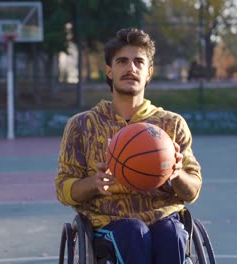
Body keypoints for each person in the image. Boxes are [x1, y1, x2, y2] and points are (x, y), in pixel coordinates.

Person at [55, 27, 202, 264]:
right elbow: (63, 188)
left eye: (138, 62)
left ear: (149, 73)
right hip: (107, 223)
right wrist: (93, 183)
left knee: (171, 233)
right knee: (133, 232)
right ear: (109, 71)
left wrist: (176, 175)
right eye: (122, 61)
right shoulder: (82, 125)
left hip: (163, 219)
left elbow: (193, 189)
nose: (131, 68)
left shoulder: (171, 124)